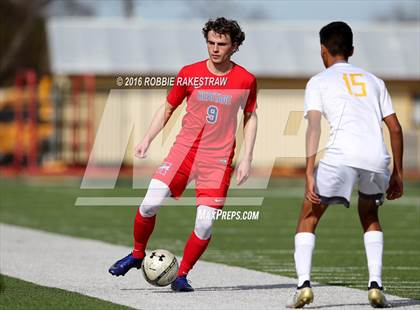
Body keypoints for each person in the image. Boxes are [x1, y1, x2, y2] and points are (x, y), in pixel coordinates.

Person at [109, 17, 258, 292]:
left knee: (205, 223)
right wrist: (146, 139)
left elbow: (250, 116)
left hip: (218, 161)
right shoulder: (189, 72)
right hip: (183, 154)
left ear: (234, 46)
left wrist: (247, 157)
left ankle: (182, 275)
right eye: (211, 42)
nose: (214, 48)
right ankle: (137, 254)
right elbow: (167, 108)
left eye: (221, 44)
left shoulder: (246, 79)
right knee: (149, 204)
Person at [287, 21, 404, 308]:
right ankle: (375, 285)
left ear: (322, 51)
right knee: (370, 216)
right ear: (352, 49)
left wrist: (309, 172)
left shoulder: (318, 81)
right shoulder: (375, 81)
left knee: (308, 217)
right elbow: (396, 128)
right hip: (377, 159)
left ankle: (303, 286)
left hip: (341, 156)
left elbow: (313, 127)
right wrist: (397, 174)